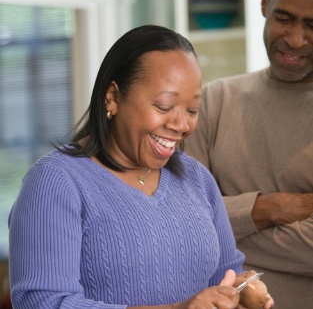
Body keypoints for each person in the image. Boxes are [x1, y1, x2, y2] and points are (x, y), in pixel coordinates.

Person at [8, 25, 273, 309]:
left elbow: (226, 275)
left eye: (192, 110)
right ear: (113, 97)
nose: (182, 125)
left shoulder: (197, 179)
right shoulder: (55, 182)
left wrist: (242, 291)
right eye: (164, 106)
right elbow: (42, 302)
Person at [184, 0, 313, 308]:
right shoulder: (214, 102)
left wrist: (219, 230)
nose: (295, 40)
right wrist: (263, 209)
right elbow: (181, 218)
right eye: (284, 18)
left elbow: (194, 231)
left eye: (312, 25)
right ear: (264, 4)